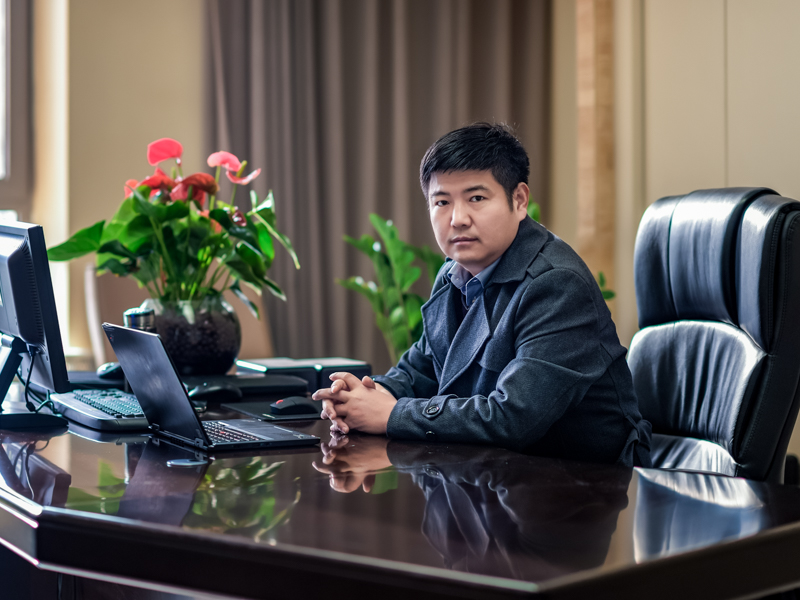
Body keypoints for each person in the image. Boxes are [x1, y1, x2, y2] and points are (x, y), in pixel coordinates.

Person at [313, 123, 651, 467]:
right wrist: (363, 397)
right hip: (493, 477)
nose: (458, 219)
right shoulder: (454, 273)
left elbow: (513, 417)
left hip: (581, 483)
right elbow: (421, 370)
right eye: (441, 202)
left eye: (476, 198)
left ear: (519, 200)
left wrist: (391, 414)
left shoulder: (557, 284)